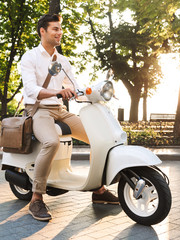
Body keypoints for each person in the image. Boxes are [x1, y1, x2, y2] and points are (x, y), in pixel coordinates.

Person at [19, 14, 118, 221]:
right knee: (51, 142)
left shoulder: (62, 60)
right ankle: (36, 198)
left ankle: (98, 190)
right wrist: (57, 93)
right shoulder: (30, 57)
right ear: (42, 31)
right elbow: (30, 89)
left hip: (60, 110)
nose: (59, 32)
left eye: (60, 29)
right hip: (39, 110)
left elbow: (73, 84)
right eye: (55, 29)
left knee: (99, 138)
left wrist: (90, 91)